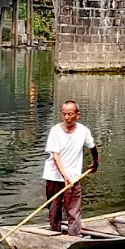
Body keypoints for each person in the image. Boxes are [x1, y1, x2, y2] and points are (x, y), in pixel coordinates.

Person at [43, 100, 98, 236]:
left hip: (73, 178)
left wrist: (95, 163)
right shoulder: (55, 131)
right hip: (54, 176)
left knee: (73, 210)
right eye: (64, 114)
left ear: (77, 115)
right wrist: (64, 176)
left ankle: (74, 236)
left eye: (70, 114)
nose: (67, 117)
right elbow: (56, 157)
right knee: (54, 210)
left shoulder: (83, 131)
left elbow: (92, 147)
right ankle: (54, 234)